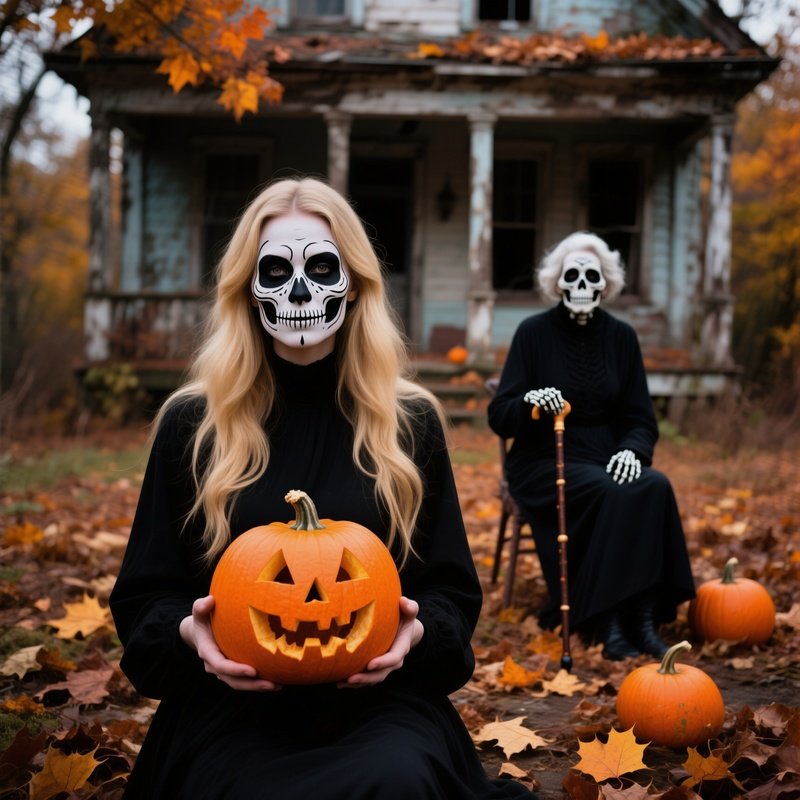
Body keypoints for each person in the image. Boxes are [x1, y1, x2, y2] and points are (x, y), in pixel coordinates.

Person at [109, 177, 536, 799]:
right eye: (276, 271)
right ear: (249, 292)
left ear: (356, 285)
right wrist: (188, 635)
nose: (300, 292)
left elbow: (449, 592)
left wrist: (416, 635)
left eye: (322, 270)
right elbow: (147, 599)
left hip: (382, 705)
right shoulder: (192, 426)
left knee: (395, 782)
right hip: (228, 706)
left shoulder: (409, 424)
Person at [487, 231, 695, 661]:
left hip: (607, 456)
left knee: (653, 485)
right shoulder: (532, 333)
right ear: (558, 283)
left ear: (604, 285)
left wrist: (633, 451)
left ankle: (641, 617)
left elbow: (641, 418)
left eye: (591, 278)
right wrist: (530, 404)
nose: (582, 286)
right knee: (610, 491)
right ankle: (608, 621)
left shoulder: (622, 338)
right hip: (545, 458)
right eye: (573, 277)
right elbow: (499, 414)